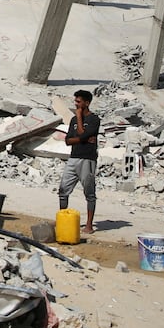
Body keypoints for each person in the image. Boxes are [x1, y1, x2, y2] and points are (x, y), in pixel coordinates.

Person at [57, 89, 100, 234]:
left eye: (78, 101)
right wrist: (83, 139)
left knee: (89, 192)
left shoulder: (94, 119)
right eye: (75, 101)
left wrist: (80, 117)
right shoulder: (73, 120)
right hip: (73, 158)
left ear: (86, 103)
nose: (76, 104)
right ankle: (62, 220)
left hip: (87, 159)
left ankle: (89, 225)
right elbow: (68, 141)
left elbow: (81, 133)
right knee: (63, 190)